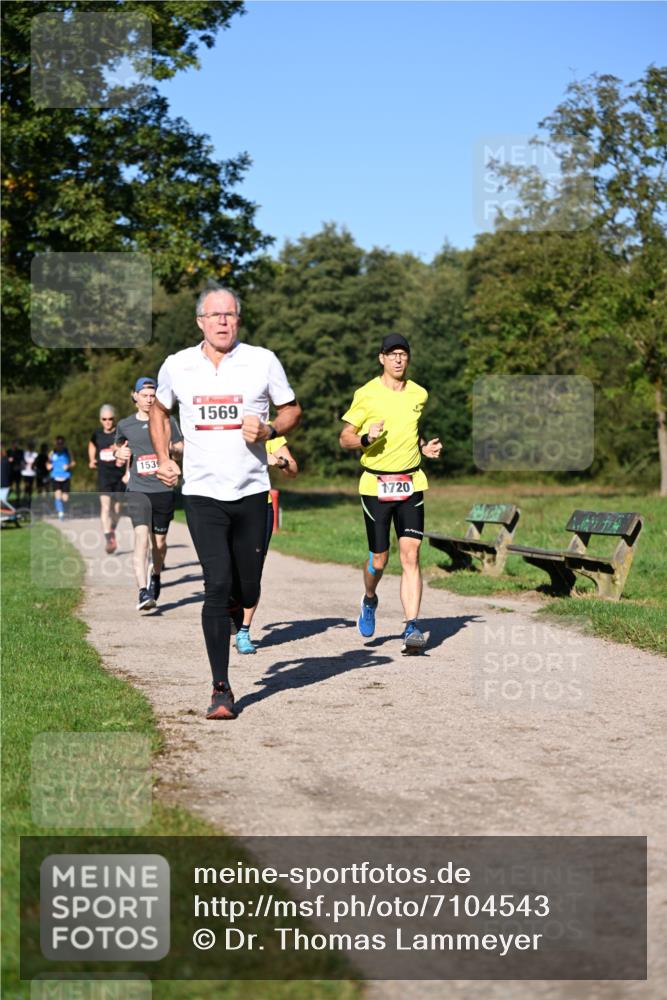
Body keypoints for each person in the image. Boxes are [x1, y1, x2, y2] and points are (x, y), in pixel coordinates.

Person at [150, 284, 301, 720]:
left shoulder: (262, 360)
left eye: (230, 315)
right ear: (200, 320)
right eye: (215, 315)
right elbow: (160, 411)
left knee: (247, 586)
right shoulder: (178, 365)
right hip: (202, 494)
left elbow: (292, 408)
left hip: (252, 492)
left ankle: (240, 605)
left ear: (238, 320)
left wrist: (270, 430)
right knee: (216, 586)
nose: (222, 322)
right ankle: (221, 688)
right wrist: (163, 457)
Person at [339, 333, 442, 654]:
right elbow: (345, 438)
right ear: (381, 358)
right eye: (392, 354)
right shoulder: (366, 394)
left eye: (403, 354)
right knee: (380, 559)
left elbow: (410, 429)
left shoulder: (419, 394)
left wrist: (424, 447)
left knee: (411, 555)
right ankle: (369, 599)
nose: (398, 359)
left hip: (412, 483)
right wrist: (366, 439)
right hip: (376, 484)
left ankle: (412, 627)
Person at [114, 378, 183, 611]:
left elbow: (181, 446)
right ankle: (143, 592)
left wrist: (173, 448)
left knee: (159, 544)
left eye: (152, 395)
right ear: (135, 396)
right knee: (141, 538)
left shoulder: (168, 420)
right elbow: (118, 448)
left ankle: (156, 574)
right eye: (144, 395)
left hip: (163, 488)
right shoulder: (125, 425)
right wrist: (120, 452)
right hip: (137, 490)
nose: (149, 399)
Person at [235, 431, 299, 655]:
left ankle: (244, 630)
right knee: (226, 567)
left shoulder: (268, 431)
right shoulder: (221, 427)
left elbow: (293, 469)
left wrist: (279, 461)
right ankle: (231, 609)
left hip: (260, 505)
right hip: (223, 503)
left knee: (253, 570)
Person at [89, 405, 127, 554]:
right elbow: (92, 444)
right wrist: (91, 459)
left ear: (114, 419)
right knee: (105, 507)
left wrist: (127, 472)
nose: (107, 422)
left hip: (119, 476)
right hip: (104, 475)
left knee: (117, 508)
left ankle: (111, 529)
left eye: (110, 419)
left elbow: (129, 451)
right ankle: (109, 538)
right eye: (104, 419)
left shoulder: (120, 433)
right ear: (100, 420)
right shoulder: (97, 434)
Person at [47, 436, 76, 519]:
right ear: (55, 443)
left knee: (65, 498)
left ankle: (62, 509)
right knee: (57, 495)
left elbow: (73, 462)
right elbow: (48, 463)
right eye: (58, 443)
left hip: (65, 477)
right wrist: (48, 466)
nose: (59, 445)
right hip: (55, 476)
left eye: (61, 443)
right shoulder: (52, 453)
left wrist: (68, 466)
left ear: (63, 443)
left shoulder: (67, 451)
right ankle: (60, 513)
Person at [20, 441, 38, 508]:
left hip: (32, 473)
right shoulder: (25, 453)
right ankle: (24, 500)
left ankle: (29, 502)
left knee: (30, 488)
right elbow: (23, 461)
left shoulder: (35, 454)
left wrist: (32, 464)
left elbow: (35, 463)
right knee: (26, 487)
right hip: (25, 473)